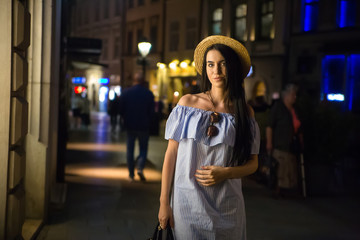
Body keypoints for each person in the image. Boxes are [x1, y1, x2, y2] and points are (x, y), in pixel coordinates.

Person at [158, 35, 260, 239]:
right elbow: (171, 154)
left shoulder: (244, 112)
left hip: (228, 206)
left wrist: (226, 173)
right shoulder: (188, 104)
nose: (216, 71)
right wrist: (163, 203)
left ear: (232, 68)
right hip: (187, 204)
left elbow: (253, 164)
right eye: (210, 64)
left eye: (223, 64)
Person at [266, 83, 303, 198]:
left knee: (289, 168)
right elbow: (270, 126)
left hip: (292, 144)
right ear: (286, 96)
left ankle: (287, 190)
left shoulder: (294, 110)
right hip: (280, 144)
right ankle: (278, 190)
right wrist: (269, 142)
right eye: (293, 95)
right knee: (280, 167)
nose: (294, 97)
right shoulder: (278, 107)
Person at [119, 72, 155, 182]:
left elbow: (121, 110)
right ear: (143, 81)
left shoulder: (126, 93)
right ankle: (140, 167)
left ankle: (131, 174)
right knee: (143, 148)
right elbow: (152, 112)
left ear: (134, 80)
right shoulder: (148, 94)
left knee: (130, 149)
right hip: (144, 125)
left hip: (130, 125)